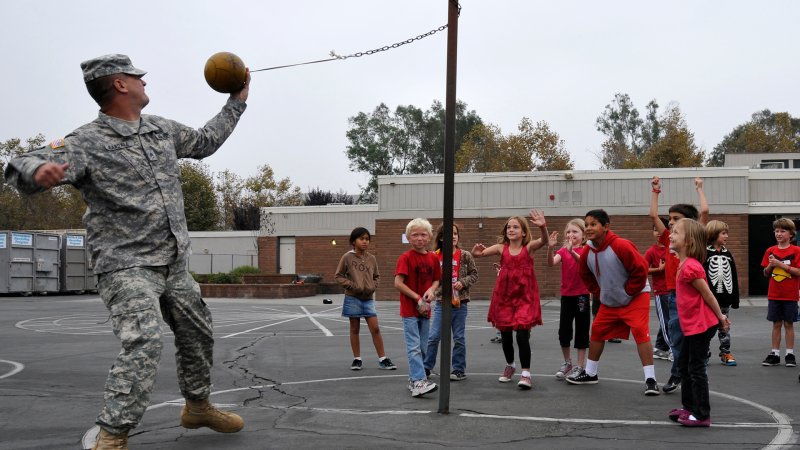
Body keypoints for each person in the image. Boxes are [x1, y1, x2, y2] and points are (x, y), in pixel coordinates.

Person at [4, 54, 249, 449]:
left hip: (172, 263)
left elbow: (205, 142)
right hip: (125, 266)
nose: (144, 81)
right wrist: (36, 173)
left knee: (198, 333)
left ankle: (198, 406)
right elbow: (23, 161)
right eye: (138, 77)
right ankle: (113, 434)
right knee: (145, 340)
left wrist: (237, 100)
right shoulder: (86, 142)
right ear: (119, 84)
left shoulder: (161, 130)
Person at [566, 209, 660, 396]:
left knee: (640, 332)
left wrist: (628, 292)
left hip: (635, 296)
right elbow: (585, 275)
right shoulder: (588, 252)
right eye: (586, 225)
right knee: (598, 331)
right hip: (611, 300)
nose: (589, 228)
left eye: (593, 224)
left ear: (606, 227)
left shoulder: (621, 246)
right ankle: (591, 373)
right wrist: (600, 292)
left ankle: (651, 379)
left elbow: (640, 271)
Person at [471, 209, 548, 390]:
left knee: (522, 334)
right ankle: (510, 365)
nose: (511, 229)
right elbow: (480, 254)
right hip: (504, 297)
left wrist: (543, 227)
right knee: (505, 336)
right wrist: (475, 253)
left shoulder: (528, 248)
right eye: (509, 227)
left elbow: (543, 241)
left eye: (515, 227)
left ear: (523, 232)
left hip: (524, 297)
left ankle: (526, 373)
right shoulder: (501, 248)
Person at [667, 218, 730, 427]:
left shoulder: (690, 267)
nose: (670, 234)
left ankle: (702, 415)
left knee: (696, 369)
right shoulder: (683, 263)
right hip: (691, 326)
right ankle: (689, 408)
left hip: (702, 326)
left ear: (689, 240)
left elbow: (708, 295)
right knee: (684, 366)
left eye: (676, 232)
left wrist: (721, 317)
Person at [649, 176, 708, 394]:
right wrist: (656, 191)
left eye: (676, 218)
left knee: (694, 338)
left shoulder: (694, 238)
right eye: (670, 219)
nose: (671, 222)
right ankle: (678, 373)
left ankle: (696, 375)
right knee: (677, 337)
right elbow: (653, 215)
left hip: (693, 295)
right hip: (673, 295)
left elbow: (704, 212)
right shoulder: (668, 239)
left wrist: (699, 189)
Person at [334, 227, 397, 371]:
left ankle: (383, 359)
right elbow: (338, 276)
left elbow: (377, 276)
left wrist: (373, 286)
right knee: (354, 329)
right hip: (352, 298)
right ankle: (357, 359)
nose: (365, 242)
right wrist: (352, 285)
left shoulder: (371, 258)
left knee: (375, 328)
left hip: (368, 299)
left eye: (367, 239)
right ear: (353, 241)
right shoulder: (347, 257)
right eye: (361, 239)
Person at [424, 223, 479, 381]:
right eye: (449, 234)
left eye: (455, 233)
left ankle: (458, 369)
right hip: (442, 303)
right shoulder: (435, 255)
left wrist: (464, 281)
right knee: (434, 337)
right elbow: (434, 281)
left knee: (459, 338)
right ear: (441, 238)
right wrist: (434, 293)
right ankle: (427, 366)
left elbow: (474, 274)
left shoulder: (465, 255)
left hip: (460, 303)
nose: (453, 236)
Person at [394, 218, 441, 397]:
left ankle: (414, 378)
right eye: (415, 235)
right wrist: (417, 298)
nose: (419, 238)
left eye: (423, 234)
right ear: (408, 238)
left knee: (422, 347)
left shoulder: (433, 258)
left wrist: (431, 290)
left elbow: (436, 279)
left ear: (429, 237)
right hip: (410, 311)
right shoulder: (405, 258)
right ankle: (419, 381)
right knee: (413, 346)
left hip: (425, 310)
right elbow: (398, 283)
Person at [546, 218, 590, 379]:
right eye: (568, 232)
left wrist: (572, 251)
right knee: (564, 331)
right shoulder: (563, 251)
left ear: (583, 235)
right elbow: (551, 263)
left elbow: (584, 264)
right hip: (566, 296)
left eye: (575, 231)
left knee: (581, 331)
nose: (571, 234)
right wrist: (550, 248)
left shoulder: (586, 250)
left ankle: (580, 366)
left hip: (582, 297)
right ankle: (567, 362)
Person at [760, 218, 800, 367]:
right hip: (774, 294)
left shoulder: (796, 251)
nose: (779, 233)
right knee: (776, 324)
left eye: (782, 231)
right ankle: (774, 354)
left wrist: (780, 264)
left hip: (790, 295)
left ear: (791, 234)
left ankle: (789, 354)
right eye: (776, 231)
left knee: (789, 324)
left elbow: (798, 271)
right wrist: (770, 266)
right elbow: (765, 273)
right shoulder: (770, 251)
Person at [703, 220, 740, 366]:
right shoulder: (705, 253)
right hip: (709, 299)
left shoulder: (728, 253)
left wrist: (735, 299)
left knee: (724, 326)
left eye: (727, 233)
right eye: (723, 233)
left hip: (725, 299)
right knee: (706, 328)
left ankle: (725, 352)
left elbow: (733, 276)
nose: (726, 236)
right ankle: (704, 353)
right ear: (713, 234)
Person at [644, 217, 673, 362]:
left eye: (659, 230)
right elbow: (642, 269)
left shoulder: (671, 248)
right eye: (654, 230)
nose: (657, 233)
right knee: (667, 321)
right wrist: (658, 269)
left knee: (670, 320)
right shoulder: (651, 251)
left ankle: (660, 348)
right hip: (661, 292)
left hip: (673, 290)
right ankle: (673, 350)